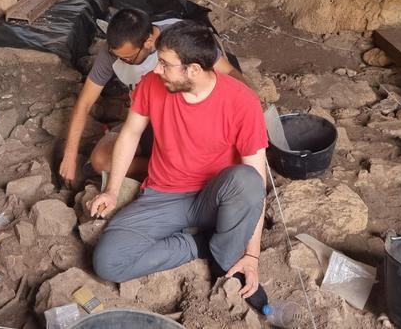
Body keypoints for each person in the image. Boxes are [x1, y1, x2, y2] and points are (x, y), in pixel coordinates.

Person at [88, 20, 269, 305]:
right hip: (163, 196)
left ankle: (225, 261)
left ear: (193, 69)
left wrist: (252, 255)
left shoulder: (242, 101)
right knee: (108, 262)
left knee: (246, 180)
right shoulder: (151, 84)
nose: (156, 69)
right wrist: (112, 190)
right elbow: (131, 134)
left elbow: (256, 183)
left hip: (216, 198)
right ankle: (199, 246)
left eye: (164, 64)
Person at [58, 8, 245, 185]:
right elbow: (85, 103)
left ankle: (187, 172)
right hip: (148, 121)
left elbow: (231, 75)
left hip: (189, 121)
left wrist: (245, 115)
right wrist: (69, 155)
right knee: (101, 160)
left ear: (149, 42)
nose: (122, 61)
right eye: (118, 56)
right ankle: (170, 170)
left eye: (128, 58)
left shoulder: (178, 37)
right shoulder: (113, 53)